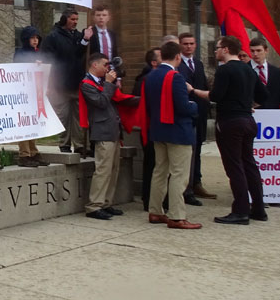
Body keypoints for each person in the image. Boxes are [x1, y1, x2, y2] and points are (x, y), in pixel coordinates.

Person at [197, 36, 268, 225]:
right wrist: (247, 105)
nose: (215, 51)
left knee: (235, 167)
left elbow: (216, 96)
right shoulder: (248, 69)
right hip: (248, 120)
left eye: (217, 47)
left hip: (230, 122)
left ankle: (241, 211)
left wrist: (194, 91)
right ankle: (258, 209)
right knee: (249, 164)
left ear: (226, 49)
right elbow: (263, 95)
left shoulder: (225, 70)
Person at [144, 41, 202, 229]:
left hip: (158, 129)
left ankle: (155, 210)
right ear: (178, 57)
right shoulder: (176, 77)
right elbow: (183, 107)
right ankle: (177, 216)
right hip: (177, 131)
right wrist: (194, 106)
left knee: (160, 171)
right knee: (179, 174)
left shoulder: (151, 76)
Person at [80, 54, 139, 219]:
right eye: (105, 65)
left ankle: (106, 203)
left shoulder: (102, 83)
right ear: (94, 65)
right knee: (103, 171)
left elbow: (118, 99)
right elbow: (101, 102)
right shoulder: (86, 84)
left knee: (113, 170)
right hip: (102, 132)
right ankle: (94, 206)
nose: (108, 68)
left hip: (113, 131)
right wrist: (108, 84)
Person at [41, 9, 93, 156]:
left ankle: (80, 145)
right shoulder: (53, 37)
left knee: (78, 117)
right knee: (62, 116)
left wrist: (85, 40)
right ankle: (64, 144)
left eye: (77, 19)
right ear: (64, 19)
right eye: (72, 19)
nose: (75, 22)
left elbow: (78, 54)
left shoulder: (78, 36)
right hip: (60, 84)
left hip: (77, 83)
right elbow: (48, 59)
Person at [177, 32, 214, 203]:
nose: (189, 46)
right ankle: (187, 188)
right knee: (187, 152)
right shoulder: (177, 65)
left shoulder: (198, 64)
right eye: (185, 44)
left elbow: (203, 86)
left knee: (198, 148)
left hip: (200, 112)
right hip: (186, 112)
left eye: (191, 43)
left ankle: (197, 181)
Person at [13, 27, 49, 167]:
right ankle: (24, 154)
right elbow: (18, 71)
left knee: (34, 122)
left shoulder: (39, 53)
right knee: (24, 122)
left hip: (36, 93)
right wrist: (33, 65)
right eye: (32, 38)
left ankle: (33, 151)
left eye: (37, 38)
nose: (35, 41)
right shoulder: (20, 53)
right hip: (23, 93)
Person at [136, 48, 162, 211]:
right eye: (161, 57)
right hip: (150, 127)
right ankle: (148, 199)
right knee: (151, 165)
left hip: (155, 127)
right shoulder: (145, 80)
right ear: (153, 62)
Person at [250, 37, 280, 112]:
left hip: (272, 113)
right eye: (252, 51)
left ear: (266, 50)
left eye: (258, 50)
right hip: (251, 113)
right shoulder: (244, 69)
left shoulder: (276, 72)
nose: (255, 54)